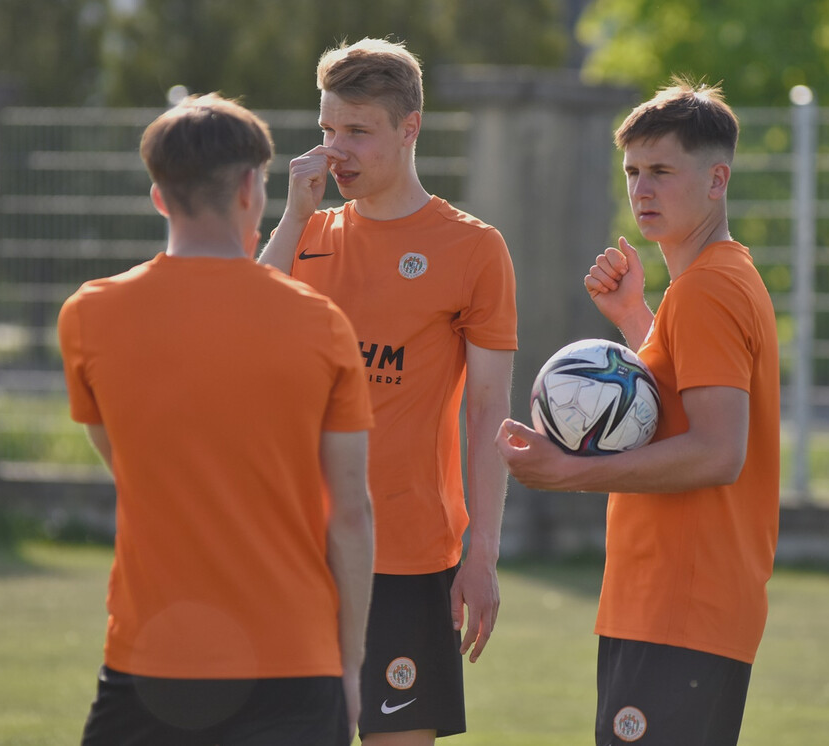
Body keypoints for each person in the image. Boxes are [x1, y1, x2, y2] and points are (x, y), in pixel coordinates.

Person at [58, 93, 375, 746]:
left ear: (157, 196)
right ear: (251, 190)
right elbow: (350, 514)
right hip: (295, 663)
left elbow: (126, 463)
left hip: (151, 665)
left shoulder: (87, 316)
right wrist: (349, 666)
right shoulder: (320, 324)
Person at [497, 76, 781, 746]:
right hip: (680, 609)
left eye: (661, 171)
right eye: (631, 171)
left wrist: (566, 473)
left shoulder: (708, 289)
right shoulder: (714, 281)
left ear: (717, 180)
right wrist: (634, 318)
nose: (641, 190)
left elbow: (718, 450)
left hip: (679, 609)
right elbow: (683, 403)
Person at [258, 38, 518, 744]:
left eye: (357, 132)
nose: (334, 151)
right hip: (295, 549)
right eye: (326, 130)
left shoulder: (473, 248)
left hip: (408, 555)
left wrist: (483, 553)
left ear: (410, 130)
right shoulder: (307, 232)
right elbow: (243, 325)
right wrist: (290, 218)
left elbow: (490, 411)